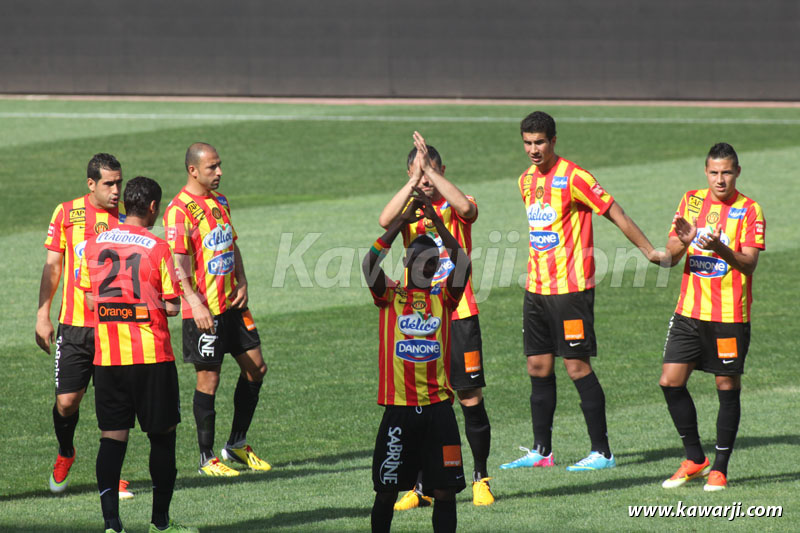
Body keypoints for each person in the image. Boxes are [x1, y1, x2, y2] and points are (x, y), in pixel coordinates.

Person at [501, 111, 662, 472]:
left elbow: (615, 212)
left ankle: (602, 452)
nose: (533, 150)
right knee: (537, 367)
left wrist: (649, 251)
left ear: (554, 141)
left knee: (576, 366)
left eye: (539, 142)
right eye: (527, 143)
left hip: (570, 290)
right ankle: (542, 452)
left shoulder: (575, 177)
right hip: (536, 289)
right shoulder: (525, 180)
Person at [378, 132, 493, 507]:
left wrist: (429, 172)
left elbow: (468, 209)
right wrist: (413, 182)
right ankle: (419, 487)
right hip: (422, 319)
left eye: (430, 173)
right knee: (423, 401)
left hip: (458, 313)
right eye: (418, 174)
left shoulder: (457, 202)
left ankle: (480, 478)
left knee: (469, 396)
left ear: (442, 171)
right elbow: (383, 221)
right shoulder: (409, 210)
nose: (425, 181)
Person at [79, 176, 197, 533]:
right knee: (162, 437)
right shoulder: (157, 246)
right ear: (151, 207)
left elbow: (87, 297)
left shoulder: (94, 244)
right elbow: (173, 307)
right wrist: (144, 307)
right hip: (151, 358)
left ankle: (112, 525)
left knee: (112, 439)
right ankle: (160, 524)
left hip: (108, 360)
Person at [652, 143, 765, 491]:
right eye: (714, 172)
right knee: (670, 381)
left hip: (729, 315)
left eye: (727, 172)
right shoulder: (692, 201)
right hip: (689, 311)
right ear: (706, 172)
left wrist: (719, 248)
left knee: (726, 385)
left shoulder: (749, 209)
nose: (720, 179)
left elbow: (748, 264)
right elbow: (673, 248)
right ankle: (694, 458)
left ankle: (720, 467)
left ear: (737, 172)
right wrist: (678, 247)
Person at [364, 178, 471, 533]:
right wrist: (401, 222)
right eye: (420, 260)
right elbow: (369, 263)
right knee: (386, 491)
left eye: (432, 262)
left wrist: (438, 222)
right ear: (408, 260)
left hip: (439, 411)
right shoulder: (389, 297)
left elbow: (464, 264)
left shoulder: (445, 297)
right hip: (400, 410)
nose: (427, 267)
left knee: (445, 492)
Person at [163, 142, 269, 476]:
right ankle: (206, 457)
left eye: (219, 165)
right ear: (193, 170)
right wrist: (194, 303)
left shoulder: (219, 201)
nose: (219, 172)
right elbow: (177, 265)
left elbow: (230, 243)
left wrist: (242, 280)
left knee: (256, 368)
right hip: (204, 311)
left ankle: (236, 443)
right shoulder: (179, 211)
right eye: (212, 167)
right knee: (209, 380)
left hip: (232, 306)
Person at [35, 153, 134, 499]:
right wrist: (42, 314)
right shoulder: (66, 213)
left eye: (119, 183)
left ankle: (114, 473)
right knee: (66, 402)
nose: (116, 190)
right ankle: (66, 452)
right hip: (74, 326)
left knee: (115, 404)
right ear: (91, 184)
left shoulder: (126, 219)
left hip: (113, 326)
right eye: (108, 183)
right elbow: (53, 266)